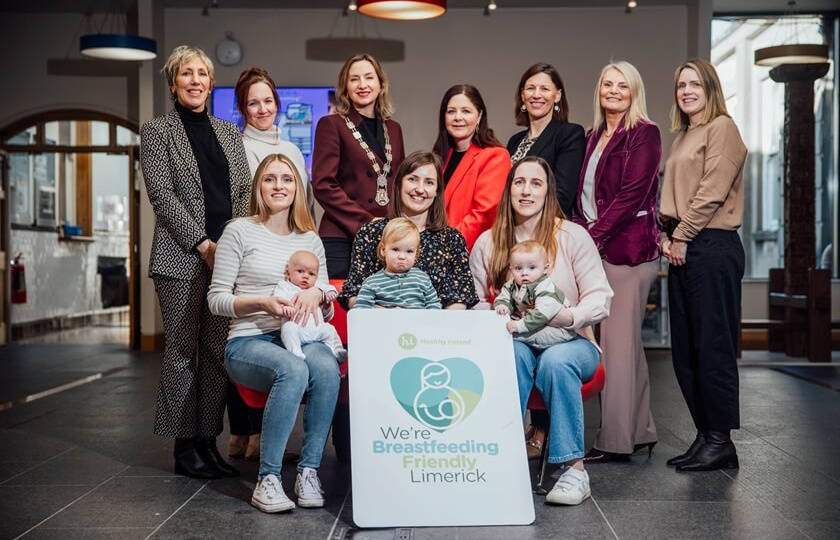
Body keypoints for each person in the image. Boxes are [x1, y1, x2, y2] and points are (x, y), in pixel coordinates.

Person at [471, 156, 612, 506]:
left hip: (572, 342)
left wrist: (569, 316)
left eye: (536, 183)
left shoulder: (572, 235)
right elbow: (475, 303)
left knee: (556, 362)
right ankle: (499, 460)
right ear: (509, 190)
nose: (526, 190)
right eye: (519, 182)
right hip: (518, 338)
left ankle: (574, 470)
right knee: (511, 355)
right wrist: (498, 314)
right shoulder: (489, 243)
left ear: (548, 191)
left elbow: (601, 296)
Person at [140, 45, 251, 480]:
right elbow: (162, 198)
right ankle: (184, 447)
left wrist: (234, 246)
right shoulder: (156, 132)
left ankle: (208, 441)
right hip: (181, 257)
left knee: (216, 353)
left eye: (202, 73)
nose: (195, 80)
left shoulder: (228, 133)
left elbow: (242, 192)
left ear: (210, 82)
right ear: (174, 83)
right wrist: (205, 245)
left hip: (228, 258)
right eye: (187, 73)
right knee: (182, 351)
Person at [208, 153, 340, 512]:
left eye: (287, 179)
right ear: (258, 186)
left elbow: (325, 301)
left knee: (327, 366)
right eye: (269, 179)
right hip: (248, 341)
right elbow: (216, 300)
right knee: (293, 368)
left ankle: (308, 471)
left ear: (298, 188)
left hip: (298, 334)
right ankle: (267, 479)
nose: (278, 186)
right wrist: (264, 303)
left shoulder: (310, 239)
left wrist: (319, 294)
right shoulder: (238, 230)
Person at [660, 59, 747, 472]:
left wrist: (680, 235)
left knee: (712, 346)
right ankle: (704, 433)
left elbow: (711, 192)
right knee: (687, 351)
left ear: (711, 88)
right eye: (682, 85)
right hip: (685, 244)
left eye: (696, 84)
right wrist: (666, 232)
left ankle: (721, 440)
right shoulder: (685, 135)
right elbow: (674, 195)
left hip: (711, 245)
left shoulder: (722, 128)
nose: (687, 90)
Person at [574, 61, 662, 464]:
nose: (613, 91)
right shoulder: (592, 137)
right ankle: (640, 430)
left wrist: (590, 236)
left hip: (628, 252)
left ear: (634, 91)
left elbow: (631, 195)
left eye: (621, 85)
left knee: (614, 346)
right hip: (600, 248)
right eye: (606, 84)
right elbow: (583, 197)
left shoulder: (645, 134)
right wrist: (578, 232)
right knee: (626, 346)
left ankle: (614, 441)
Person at [339, 150, 478, 311]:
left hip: (433, 332)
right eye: (413, 179)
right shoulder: (371, 233)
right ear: (399, 184)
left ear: (437, 191)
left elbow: (460, 298)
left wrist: (431, 327)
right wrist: (391, 317)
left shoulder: (452, 239)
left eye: (429, 182)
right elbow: (352, 294)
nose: (420, 189)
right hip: (380, 327)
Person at [312, 53, 406, 279]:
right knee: (341, 308)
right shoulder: (331, 124)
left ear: (381, 84)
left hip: (385, 235)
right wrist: (367, 221)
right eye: (354, 79)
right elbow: (323, 185)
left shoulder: (394, 128)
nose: (363, 85)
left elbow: (399, 183)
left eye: (369, 77)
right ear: (345, 86)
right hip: (342, 235)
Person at [433, 84, 510, 251]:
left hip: (466, 253)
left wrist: (443, 248)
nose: (458, 117)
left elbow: (483, 215)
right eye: (451, 111)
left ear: (480, 115)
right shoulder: (439, 158)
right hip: (432, 252)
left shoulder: (495, 156)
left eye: (466, 111)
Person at [507, 63, 585, 218]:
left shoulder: (570, 134)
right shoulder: (515, 141)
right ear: (523, 95)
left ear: (557, 95)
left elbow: (562, 196)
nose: (536, 95)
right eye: (530, 88)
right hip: (511, 228)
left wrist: (528, 224)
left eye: (544, 89)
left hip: (548, 230)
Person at [235, 67, 315, 218]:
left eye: (268, 101)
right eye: (253, 103)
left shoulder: (293, 150)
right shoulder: (240, 149)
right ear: (242, 108)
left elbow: (307, 209)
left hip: (300, 238)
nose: (263, 109)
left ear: (276, 103)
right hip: (261, 239)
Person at [494, 240, 576, 348]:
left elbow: (542, 313)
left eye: (532, 268)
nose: (524, 273)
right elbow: (503, 297)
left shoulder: (545, 287)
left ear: (545, 269)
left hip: (557, 329)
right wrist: (503, 306)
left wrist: (520, 326)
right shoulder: (511, 285)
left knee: (517, 335)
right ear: (511, 269)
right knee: (510, 334)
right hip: (532, 324)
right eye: (518, 268)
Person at [272, 250, 347, 361]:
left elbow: (330, 288)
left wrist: (330, 294)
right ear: (288, 272)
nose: (306, 276)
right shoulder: (285, 286)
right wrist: (285, 308)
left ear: (316, 277)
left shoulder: (316, 286)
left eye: (311, 274)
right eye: (300, 271)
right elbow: (277, 299)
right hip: (297, 330)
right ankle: (295, 352)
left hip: (317, 329)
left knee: (329, 329)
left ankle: (336, 350)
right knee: (288, 328)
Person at [353, 218, 442, 309]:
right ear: (383, 250)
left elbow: (434, 305)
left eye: (409, 251)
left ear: (416, 253)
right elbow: (361, 310)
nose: (402, 256)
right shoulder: (371, 283)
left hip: (417, 322)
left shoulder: (422, 279)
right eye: (395, 249)